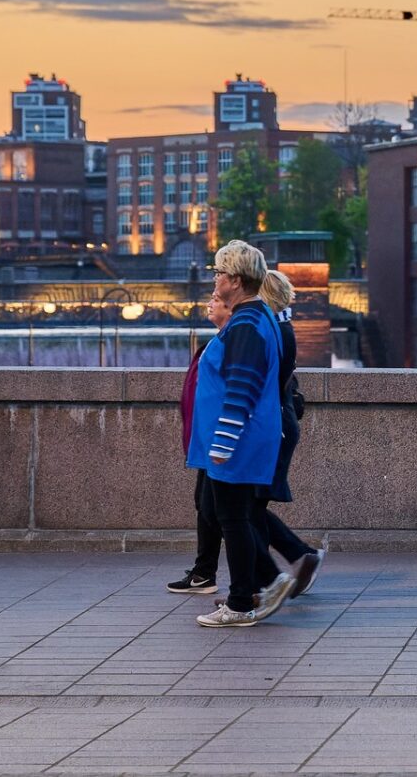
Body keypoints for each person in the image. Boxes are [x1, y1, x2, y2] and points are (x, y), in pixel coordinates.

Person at [187, 239, 291, 629]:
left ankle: (242, 602)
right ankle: (261, 586)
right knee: (227, 513)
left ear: (235, 278)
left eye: (218, 272)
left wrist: (223, 442)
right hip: (245, 436)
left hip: (239, 440)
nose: (214, 279)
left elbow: (243, 385)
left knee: (232, 516)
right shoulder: (255, 316)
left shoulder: (246, 324)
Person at [258, 270, 324, 600]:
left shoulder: (273, 331)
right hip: (281, 422)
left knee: (244, 507)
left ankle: (280, 573)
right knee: (245, 507)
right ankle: (289, 565)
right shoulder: (281, 327)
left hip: (274, 424)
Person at [167, 291, 232, 597]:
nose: (209, 302)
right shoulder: (217, 341)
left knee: (225, 510)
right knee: (207, 506)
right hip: (207, 441)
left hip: (221, 441)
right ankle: (204, 572)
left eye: (216, 299)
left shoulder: (232, 341)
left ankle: (269, 575)